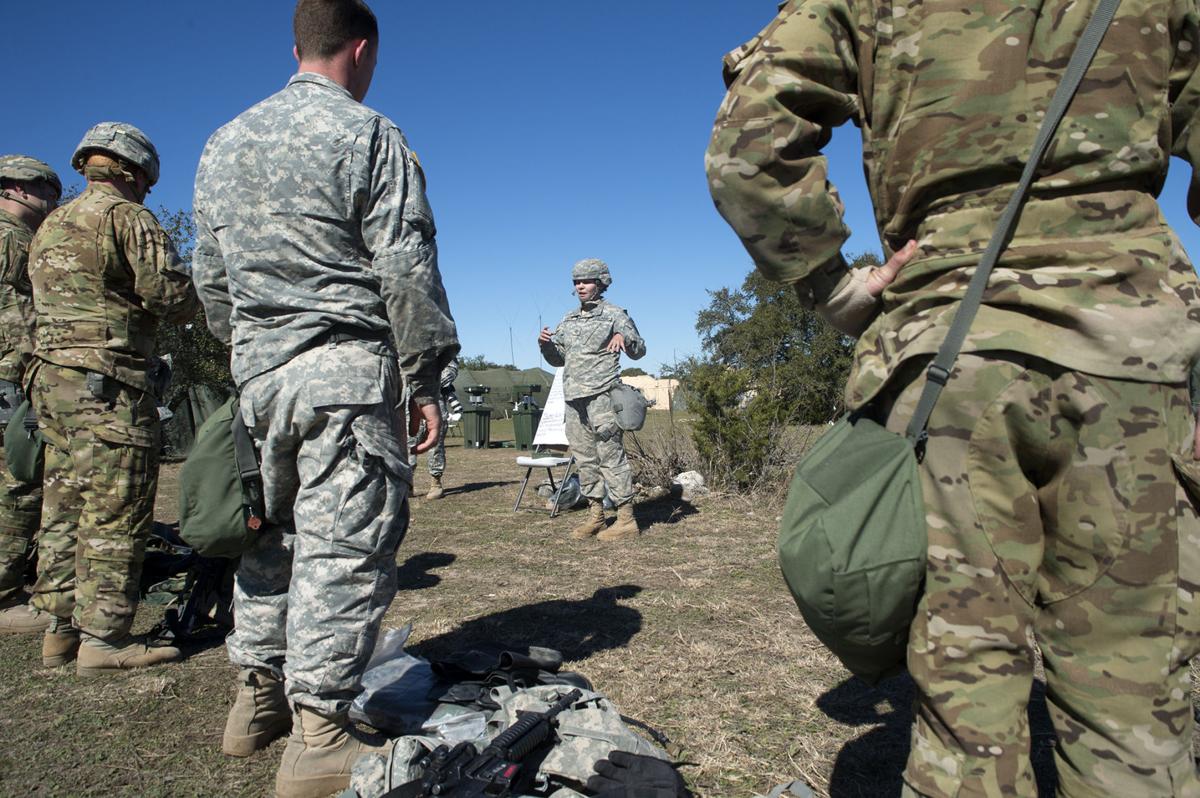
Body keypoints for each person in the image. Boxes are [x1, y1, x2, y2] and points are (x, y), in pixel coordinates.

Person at [707, 2, 1200, 796]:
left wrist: (832, 288)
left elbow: (747, 149)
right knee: (1136, 708)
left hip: (948, 363)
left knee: (962, 708)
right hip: (1133, 354)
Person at [192, 1, 458, 795]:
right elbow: (405, 269)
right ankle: (319, 739)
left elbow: (210, 280)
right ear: (362, 48)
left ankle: (256, 703)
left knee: (270, 538)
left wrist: (252, 351)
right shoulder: (369, 135)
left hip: (259, 383)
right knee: (343, 549)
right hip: (344, 374)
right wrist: (427, 377)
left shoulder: (223, 143)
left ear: (297, 46)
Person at [26, 123, 198, 675]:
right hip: (108, 383)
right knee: (116, 507)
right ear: (136, 171)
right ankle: (104, 640)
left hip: (52, 385)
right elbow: (170, 297)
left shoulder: (51, 224)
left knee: (64, 503)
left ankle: (59, 632)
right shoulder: (126, 218)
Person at [538, 259, 645, 541]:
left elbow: (639, 350)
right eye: (576, 282)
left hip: (603, 397)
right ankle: (596, 516)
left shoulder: (614, 314)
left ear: (600, 283)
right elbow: (557, 358)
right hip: (574, 399)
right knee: (585, 460)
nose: (580, 286)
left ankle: (625, 519)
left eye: (585, 281)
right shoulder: (568, 318)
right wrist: (546, 345)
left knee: (611, 457)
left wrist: (624, 335)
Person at [0, 155, 61, 634]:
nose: (52, 203)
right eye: (47, 192)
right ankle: (5, 594)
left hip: (14, 373)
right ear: (18, 189)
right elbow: (15, 314)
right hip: (12, 376)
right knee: (18, 479)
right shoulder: (9, 238)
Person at [411, 357, 458, 500]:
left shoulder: (438, 346)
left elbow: (452, 368)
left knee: (436, 445)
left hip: (435, 399)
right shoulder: (403, 343)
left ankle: (435, 482)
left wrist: (431, 381)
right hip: (411, 402)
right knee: (409, 443)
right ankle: (407, 482)